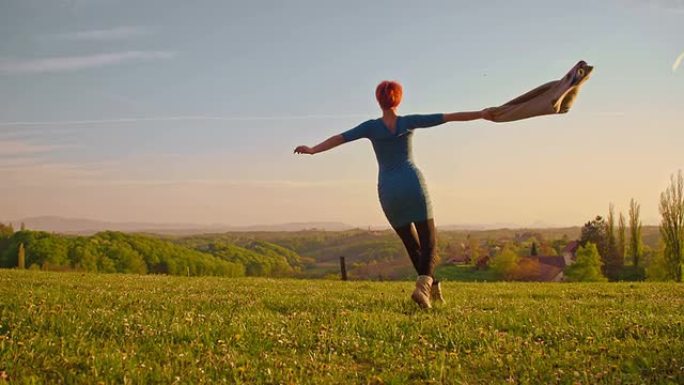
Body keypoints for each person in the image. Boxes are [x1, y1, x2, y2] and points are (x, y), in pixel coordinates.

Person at [294, 80, 494, 308]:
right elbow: (448, 117)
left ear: (378, 100)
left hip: (388, 190)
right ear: (399, 99)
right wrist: (481, 113)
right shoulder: (408, 122)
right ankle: (423, 287)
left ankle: (432, 289)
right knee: (428, 242)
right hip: (411, 184)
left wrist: (312, 150)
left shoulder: (370, 127)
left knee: (412, 244)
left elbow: (339, 138)